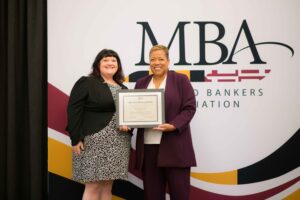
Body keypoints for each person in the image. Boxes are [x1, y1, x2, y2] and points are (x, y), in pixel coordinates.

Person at [66, 49, 132, 200]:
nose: (110, 63)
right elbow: (73, 111)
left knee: (108, 185)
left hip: (119, 142)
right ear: (98, 65)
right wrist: (75, 138)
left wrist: (129, 125)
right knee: (94, 185)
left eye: (114, 60)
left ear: (118, 65)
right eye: (106, 60)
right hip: (94, 142)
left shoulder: (123, 88)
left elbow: (129, 115)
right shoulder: (87, 82)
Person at [134, 44, 197, 200]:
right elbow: (134, 110)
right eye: (153, 59)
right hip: (148, 149)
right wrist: (127, 123)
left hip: (175, 147)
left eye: (161, 59)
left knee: (180, 195)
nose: (157, 63)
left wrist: (174, 125)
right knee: (152, 195)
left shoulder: (181, 80)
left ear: (168, 61)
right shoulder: (141, 83)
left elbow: (189, 108)